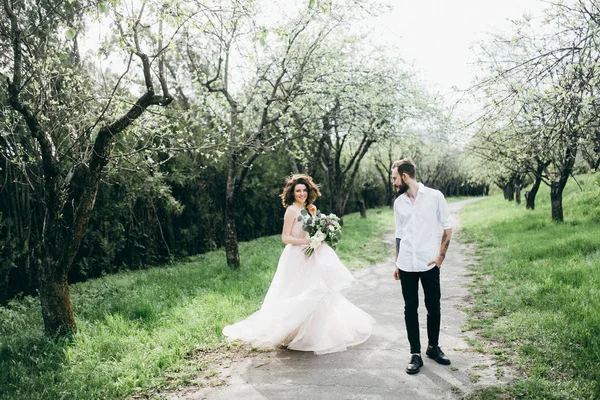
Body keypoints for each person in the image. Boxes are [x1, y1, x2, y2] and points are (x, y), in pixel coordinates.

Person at [223, 173, 375, 354]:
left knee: (313, 291)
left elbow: (311, 230)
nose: (301, 194)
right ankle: (289, 333)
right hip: (295, 256)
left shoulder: (309, 208)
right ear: (292, 193)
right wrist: (307, 243)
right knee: (294, 292)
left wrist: (318, 232)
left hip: (309, 255)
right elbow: (285, 237)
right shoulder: (291, 210)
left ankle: (308, 331)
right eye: (298, 191)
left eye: (304, 190)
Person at [391, 158, 453, 374]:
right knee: (410, 309)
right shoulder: (399, 203)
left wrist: (440, 258)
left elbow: (447, 227)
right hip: (407, 262)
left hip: (429, 263)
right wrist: (397, 262)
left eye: (395, 177)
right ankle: (415, 353)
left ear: (405, 176)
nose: (394, 182)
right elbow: (399, 234)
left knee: (433, 307)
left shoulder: (435, 197)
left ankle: (433, 347)